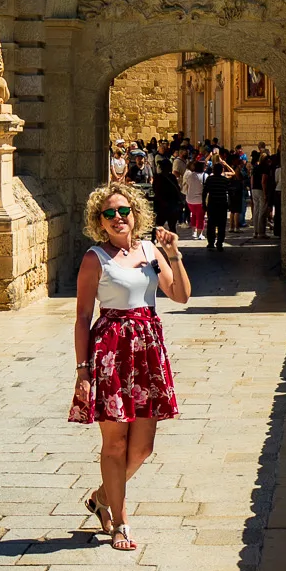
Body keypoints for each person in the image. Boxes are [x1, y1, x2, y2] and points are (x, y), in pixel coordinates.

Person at [69, 181, 190, 552]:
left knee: (142, 448)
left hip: (148, 350)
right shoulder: (95, 258)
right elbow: (82, 316)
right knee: (115, 443)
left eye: (124, 211)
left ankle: (102, 497)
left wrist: (175, 255)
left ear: (136, 213)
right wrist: (83, 370)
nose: (118, 218)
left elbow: (181, 296)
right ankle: (119, 523)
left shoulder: (151, 251)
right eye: (110, 214)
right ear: (100, 222)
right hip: (111, 353)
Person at [204, 153, 231, 253]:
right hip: (222, 204)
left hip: (212, 204)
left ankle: (211, 242)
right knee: (221, 225)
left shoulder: (209, 179)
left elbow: (205, 191)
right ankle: (219, 243)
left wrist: (204, 203)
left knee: (211, 224)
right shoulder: (225, 180)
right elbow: (229, 192)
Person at [182, 157, 205, 240]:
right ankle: (199, 234)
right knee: (201, 217)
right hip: (200, 200)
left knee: (194, 215)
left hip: (190, 200)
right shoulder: (205, 176)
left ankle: (194, 232)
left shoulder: (190, 175)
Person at [251, 146, 269, 236]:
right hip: (261, 190)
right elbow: (263, 181)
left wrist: (252, 189)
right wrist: (265, 193)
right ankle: (261, 232)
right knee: (262, 211)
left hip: (254, 189)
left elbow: (252, 179)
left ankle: (255, 231)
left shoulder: (256, 167)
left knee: (256, 211)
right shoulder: (265, 168)